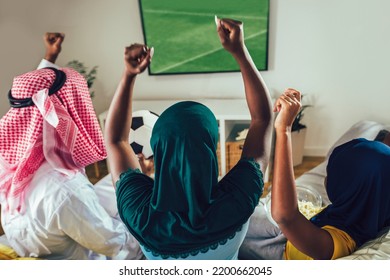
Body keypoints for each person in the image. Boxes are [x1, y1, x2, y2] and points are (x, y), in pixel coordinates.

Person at [104, 17, 273, 260]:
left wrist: (129, 75)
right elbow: (263, 120)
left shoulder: (138, 213)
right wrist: (240, 51)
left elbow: (115, 141)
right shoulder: (239, 198)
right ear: (210, 148)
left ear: (158, 149)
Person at [0, 32, 143, 260]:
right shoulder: (66, 190)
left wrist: (49, 57)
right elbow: (114, 244)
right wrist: (141, 200)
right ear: (63, 114)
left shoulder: (10, 158)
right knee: (139, 203)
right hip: (83, 257)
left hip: (44, 232)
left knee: (114, 183)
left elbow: (34, 100)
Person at [262, 89, 390, 260]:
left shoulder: (334, 244)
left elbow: (285, 216)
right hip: (288, 241)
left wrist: (283, 129)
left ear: (347, 189)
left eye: (331, 172)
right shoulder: (365, 211)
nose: (326, 176)